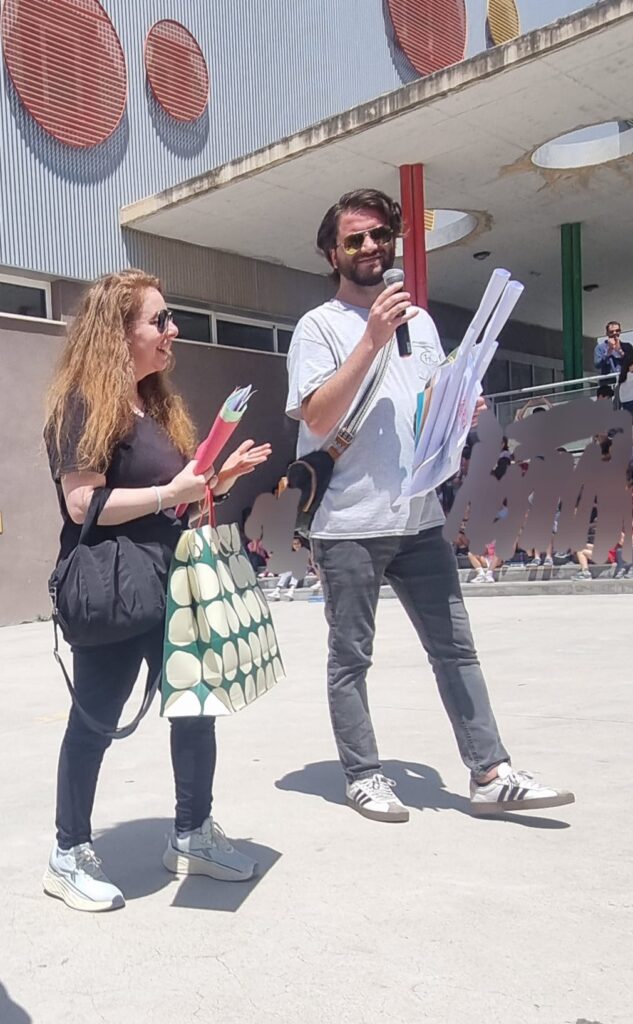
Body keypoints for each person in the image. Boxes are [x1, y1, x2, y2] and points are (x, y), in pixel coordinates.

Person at [286, 188, 574, 822]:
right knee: (351, 656)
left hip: (419, 517)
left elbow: (423, 399)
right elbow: (316, 416)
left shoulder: (418, 322)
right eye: (356, 238)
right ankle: (363, 774)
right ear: (332, 253)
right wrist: (371, 338)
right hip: (351, 522)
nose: (371, 246)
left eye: (380, 235)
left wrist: (459, 403)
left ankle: (490, 773)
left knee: (455, 648)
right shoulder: (318, 327)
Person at [43, 270, 271, 911]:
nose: (174, 330)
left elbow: (172, 503)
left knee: (196, 709)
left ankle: (193, 833)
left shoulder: (157, 407)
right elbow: (83, 503)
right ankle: (68, 852)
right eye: (161, 319)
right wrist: (172, 490)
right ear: (119, 333)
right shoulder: (82, 405)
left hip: (173, 581)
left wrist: (215, 483)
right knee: (94, 720)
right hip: (115, 588)